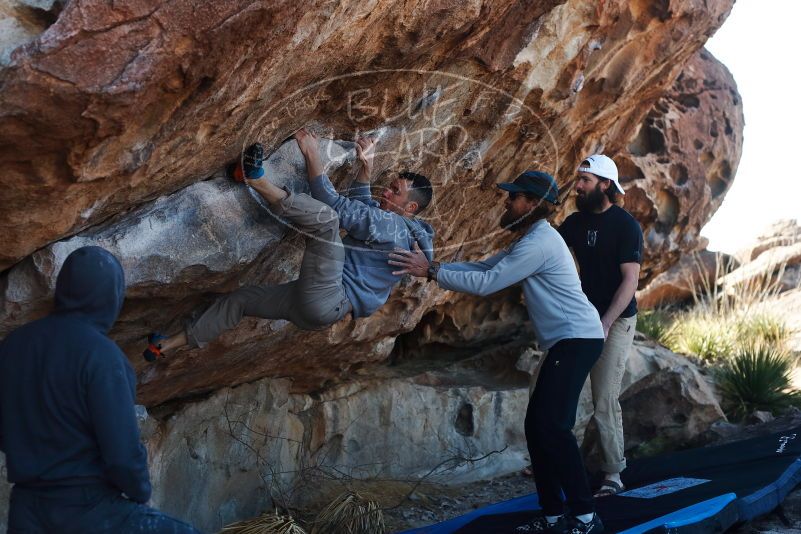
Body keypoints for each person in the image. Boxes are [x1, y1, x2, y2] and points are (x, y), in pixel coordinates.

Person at [389, 171, 606, 534]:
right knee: (538, 428)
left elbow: (489, 282)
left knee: (552, 426)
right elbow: (484, 267)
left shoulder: (540, 242)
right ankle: (553, 515)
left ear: (533, 204)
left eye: (514, 196)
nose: (507, 202)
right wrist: (435, 269)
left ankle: (585, 518)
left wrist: (432, 272)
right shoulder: (532, 238)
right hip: (568, 341)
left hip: (577, 339)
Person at [144, 129, 434, 359]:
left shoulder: (393, 225)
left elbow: (333, 203)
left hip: (330, 296)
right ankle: (165, 346)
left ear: (409, 208)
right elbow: (364, 212)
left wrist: (312, 154)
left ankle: (256, 180)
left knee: (326, 220)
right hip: (315, 312)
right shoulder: (401, 234)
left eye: (394, 191)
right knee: (240, 300)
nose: (386, 191)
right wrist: (365, 169)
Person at [0, 246, 200, 533]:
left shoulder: (12, 347)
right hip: (89, 510)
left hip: (26, 509)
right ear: (112, 296)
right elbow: (122, 455)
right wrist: (140, 494)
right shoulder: (101, 356)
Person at [557, 155, 643, 498]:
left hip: (616, 319)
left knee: (604, 397)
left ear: (605, 185)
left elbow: (630, 282)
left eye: (586, 181)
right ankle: (551, 457)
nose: (578, 186)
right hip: (580, 317)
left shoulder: (625, 226)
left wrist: (605, 323)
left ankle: (613, 474)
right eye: (579, 180)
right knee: (551, 383)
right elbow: (551, 260)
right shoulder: (574, 223)